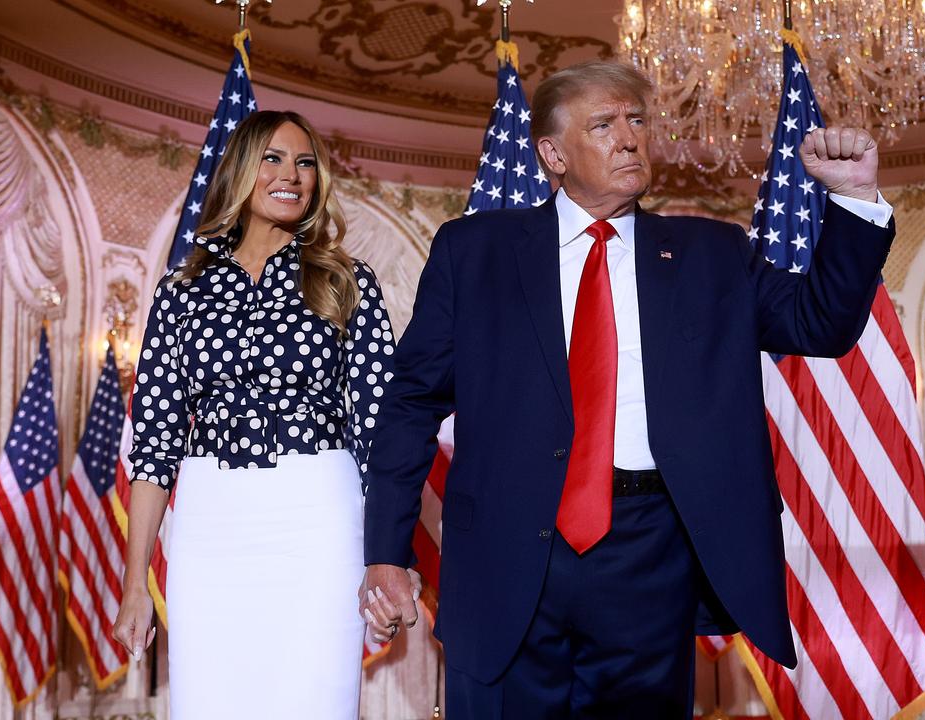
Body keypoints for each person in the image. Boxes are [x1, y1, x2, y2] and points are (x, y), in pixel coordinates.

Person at [360, 60, 896, 717]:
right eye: (604, 124)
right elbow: (411, 403)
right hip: (505, 552)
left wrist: (853, 199)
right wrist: (386, 551)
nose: (629, 137)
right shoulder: (475, 252)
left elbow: (823, 323)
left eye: (638, 120)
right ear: (552, 154)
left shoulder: (713, 254)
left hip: (650, 552)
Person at [111, 110, 399, 719]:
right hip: (210, 519)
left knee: (314, 699)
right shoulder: (182, 290)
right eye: (273, 158)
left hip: (318, 514)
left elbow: (379, 432)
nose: (292, 175)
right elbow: (155, 443)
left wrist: (390, 558)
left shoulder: (348, 281)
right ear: (241, 170)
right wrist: (135, 582)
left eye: (304, 163)